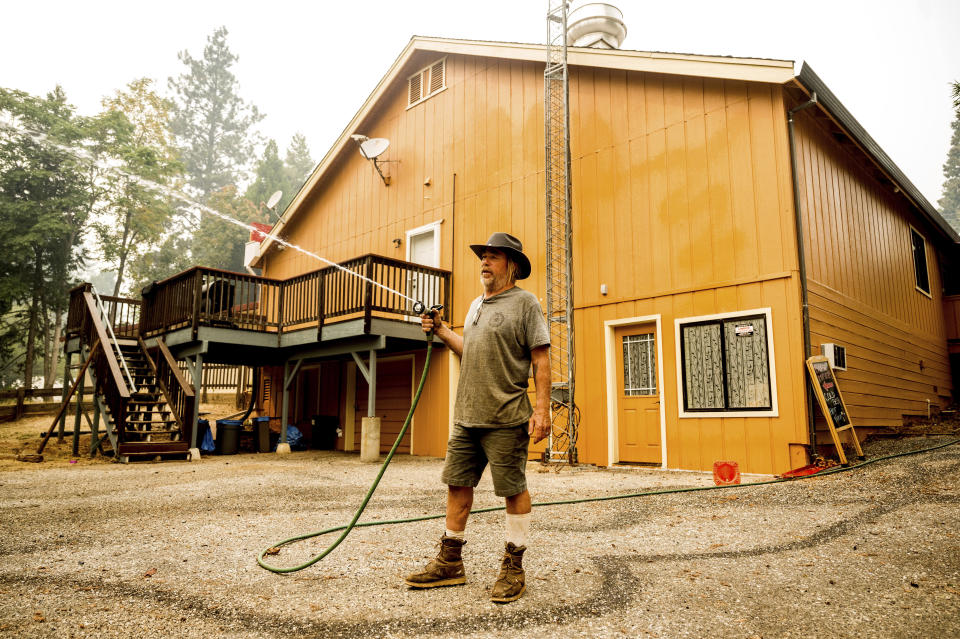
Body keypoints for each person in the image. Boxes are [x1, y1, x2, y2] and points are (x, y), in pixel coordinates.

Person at [405, 232, 551, 604]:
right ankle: (451, 562)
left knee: (512, 490)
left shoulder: (525, 304)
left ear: (512, 266)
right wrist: (440, 331)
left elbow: (540, 359)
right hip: (467, 417)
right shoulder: (475, 306)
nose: (484, 263)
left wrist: (542, 410)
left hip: (506, 418)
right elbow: (469, 350)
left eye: (493, 257)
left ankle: (514, 566)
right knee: (457, 485)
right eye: (483, 257)